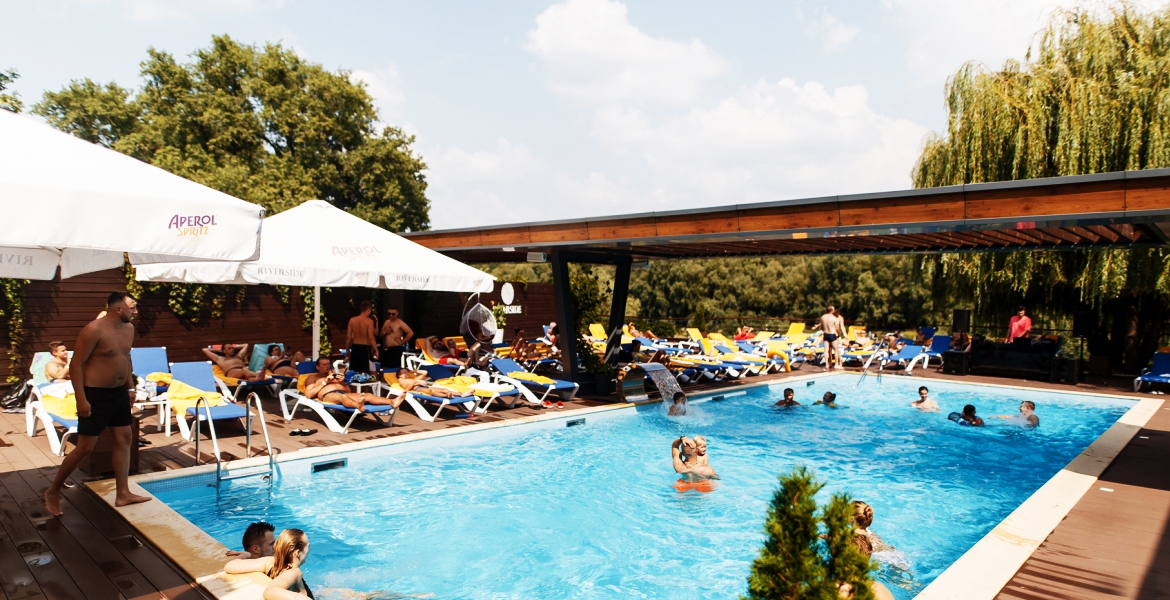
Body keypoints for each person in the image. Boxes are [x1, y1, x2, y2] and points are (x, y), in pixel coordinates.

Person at [44, 292, 151, 516]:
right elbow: (76, 365)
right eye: (132, 307)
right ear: (119, 309)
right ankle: (53, 490)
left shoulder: (129, 329)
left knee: (125, 438)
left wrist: (130, 387)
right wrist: (81, 399)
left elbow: (124, 358)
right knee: (85, 447)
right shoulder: (93, 330)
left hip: (119, 393)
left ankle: (123, 493)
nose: (135, 311)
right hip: (95, 395)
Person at [304, 357, 403, 413]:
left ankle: (392, 401)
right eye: (324, 365)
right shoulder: (312, 378)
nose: (327, 366)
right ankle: (357, 405)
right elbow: (308, 395)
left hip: (343, 393)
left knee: (367, 395)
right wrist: (325, 382)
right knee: (342, 397)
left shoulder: (334, 376)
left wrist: (342, 382)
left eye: (328, 364)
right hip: (329, 395)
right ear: (317, 367)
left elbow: (348, 391)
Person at [345, 301, 379, 374]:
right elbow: (371, 337)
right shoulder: (369, 321)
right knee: (365, 371)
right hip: (365, 348)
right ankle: (366, 385)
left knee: (355, 371)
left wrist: (347, 349)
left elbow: (348, 337)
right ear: (368, 310)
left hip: (355, 347)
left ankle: (354, 385)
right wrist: (376, 349)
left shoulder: (352, 320)